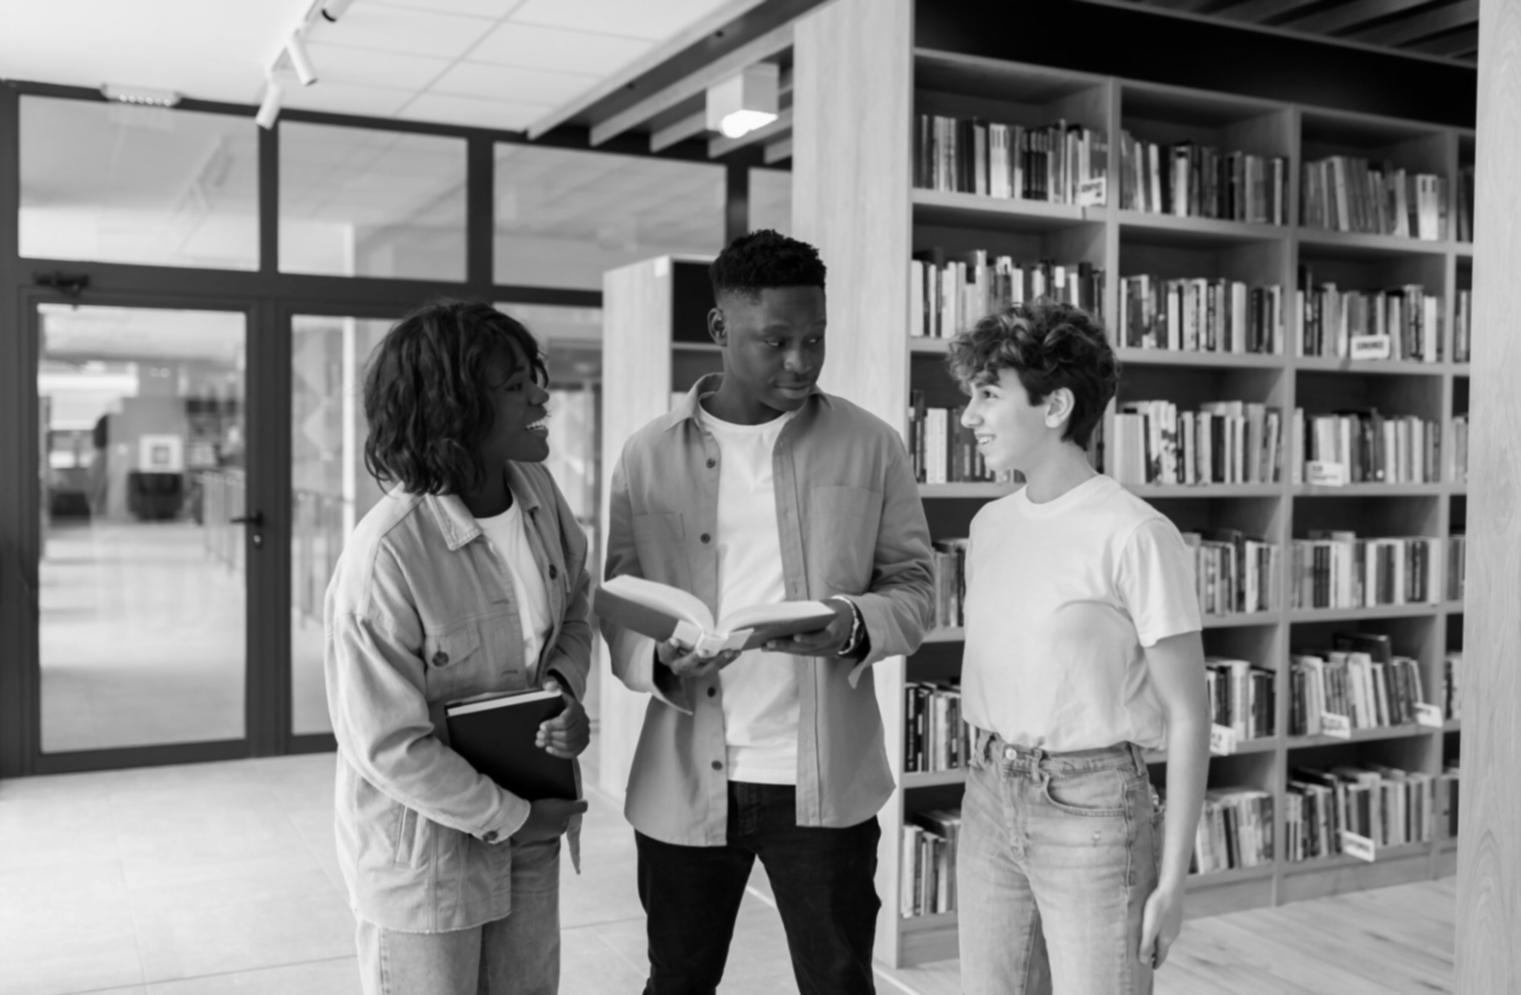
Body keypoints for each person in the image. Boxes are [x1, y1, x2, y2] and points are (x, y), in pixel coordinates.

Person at [600, 229, 936, 995]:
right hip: (686, 779)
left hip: (824, 784)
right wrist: (659, 658)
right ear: (720, 330)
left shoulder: (872, 445)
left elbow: (916, 588)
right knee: (676, 982)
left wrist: (852, 621)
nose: (801, 361)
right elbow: (618, 602)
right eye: (775, 340)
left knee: (839, 982)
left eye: (814, 338)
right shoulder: (646, 454)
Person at [324, 300, 591, 995]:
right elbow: (385, 745)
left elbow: (575, 607)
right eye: (515, 385)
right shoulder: (386, 554)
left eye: (534, 375)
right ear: (453, 407)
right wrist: (516, 816)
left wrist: (564, 689)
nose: (541, 393)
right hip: (428, 857)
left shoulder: (538, 491)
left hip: (530, 832)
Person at [947, 298, 1209, 995]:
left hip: (1092, 808)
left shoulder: (1134, 533)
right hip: (987, 792)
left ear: (1055, 404)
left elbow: (1188, 714)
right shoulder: (988, 524)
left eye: (987, 394)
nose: (968, 415)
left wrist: (1173, 879)